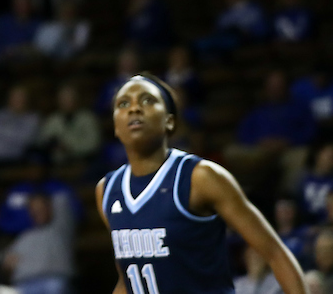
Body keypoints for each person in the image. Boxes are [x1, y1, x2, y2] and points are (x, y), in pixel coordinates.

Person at [97, 74, 305, 294]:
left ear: (170, 121)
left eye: (147, 100)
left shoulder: (201, 177)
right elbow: (127, 280)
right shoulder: (107, 191)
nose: (134, 109)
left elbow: (275, 253)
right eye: (123, 103)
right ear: (115, 126)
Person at [4, 191, 76, 294]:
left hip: (53, 280)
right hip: (24, 284)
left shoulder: (59, 228)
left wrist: (30, 199)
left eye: (41, 208)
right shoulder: (24, 237)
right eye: (34, 209)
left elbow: (62, 199)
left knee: (55, 287)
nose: (37, 211)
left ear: (49, 207)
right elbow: (8, 260)